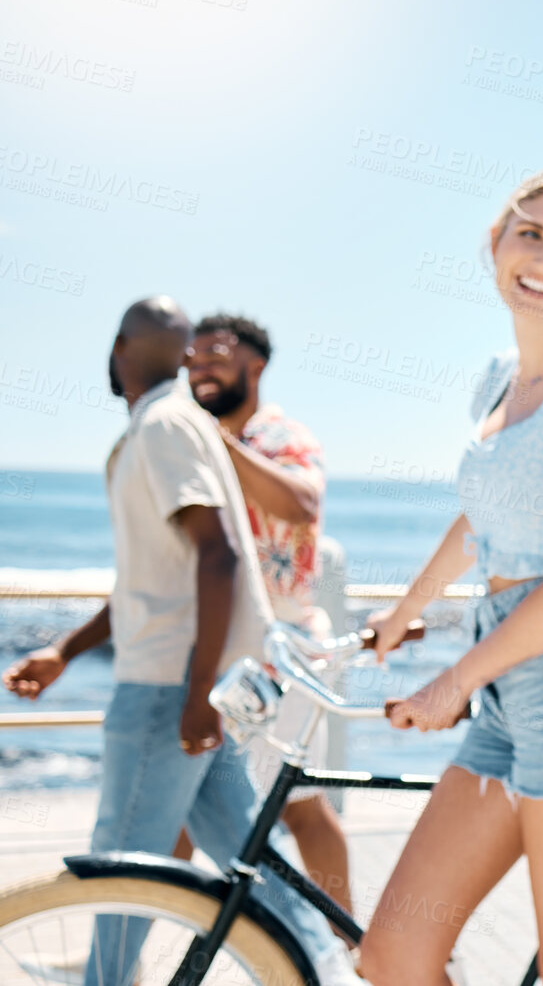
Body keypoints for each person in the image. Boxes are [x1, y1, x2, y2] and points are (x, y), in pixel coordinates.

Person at [355, 164, 543, 986]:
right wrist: (402, 612)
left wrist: (449, 684)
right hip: (508, 694)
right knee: (393, 955)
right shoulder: (498, 379)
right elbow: (482, 520)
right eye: (530, 233)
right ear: (495, 244)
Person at [0, 297, 362, 986]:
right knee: (254, 861)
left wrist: (196, 694)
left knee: (121, 870)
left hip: (171, 686)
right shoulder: (170, 426)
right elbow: (153, 579)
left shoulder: (166, 426)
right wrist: (65, 652)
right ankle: (327, 976)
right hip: (200, 679)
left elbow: (220, 555)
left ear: (118, 350)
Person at [179, 311, 353, 914]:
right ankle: (122, 935)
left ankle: (352, 952)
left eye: (215, 356)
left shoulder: (281, 438)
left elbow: (303, 502)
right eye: (191, 359)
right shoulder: (195, 446)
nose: (199, 368)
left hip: (280, 651)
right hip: (222, 649)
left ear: (255, 366)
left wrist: (217, 445)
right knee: (182, 799)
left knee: (300, 807)